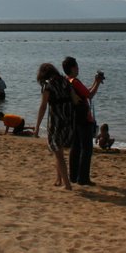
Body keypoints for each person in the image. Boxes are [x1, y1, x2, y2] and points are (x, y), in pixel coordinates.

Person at [34, 62, 75, 190]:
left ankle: (67, 185)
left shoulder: (48, 85)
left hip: (57, 121)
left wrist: (37, 127)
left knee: (58, 153)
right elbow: (74, 99)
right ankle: (59, 179)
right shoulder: (65, 81)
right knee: (59, 150)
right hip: (69, 121)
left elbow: (43, 106)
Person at [64, 57, 103, 186]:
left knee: (75, 148)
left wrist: (94, 82)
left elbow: (85, 92)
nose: (78, 68)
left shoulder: (66, 81)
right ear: (72, 68)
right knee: (86, 149)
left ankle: (74, 176)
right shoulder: (74, 81)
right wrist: (97, 82)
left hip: (74, 118)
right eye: (76, 66)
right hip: (83, 118)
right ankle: (83, 178)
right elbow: (90, 95)